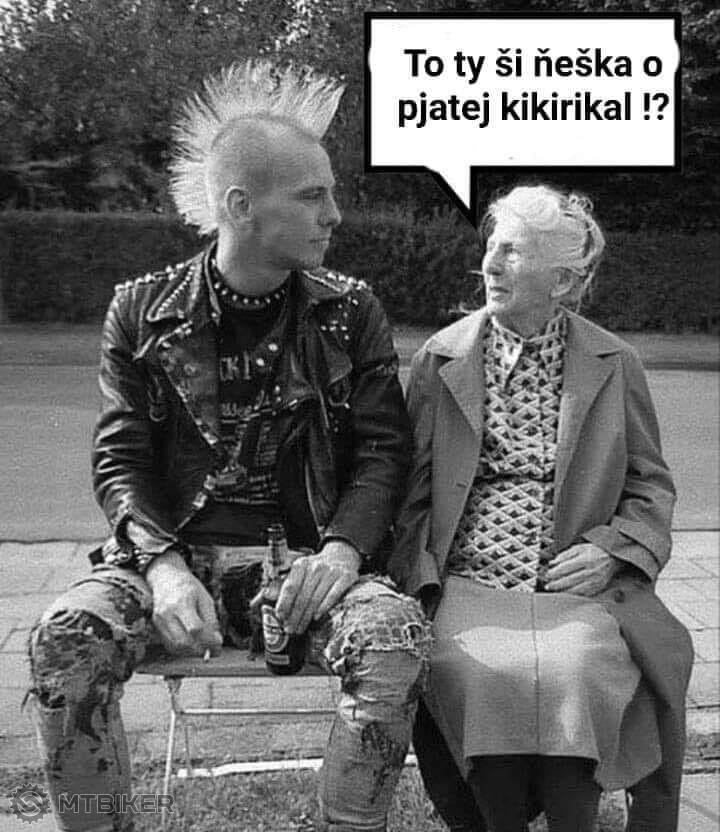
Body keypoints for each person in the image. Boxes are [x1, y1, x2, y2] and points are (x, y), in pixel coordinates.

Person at [26, 61, 430, 832]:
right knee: (66, 639)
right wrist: (163, 567)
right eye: (312, 196)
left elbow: (384, 454)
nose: (335, 214)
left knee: (392, 634)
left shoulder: (351, 312)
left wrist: (341, 553)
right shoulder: (141, 312)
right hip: (173, 562)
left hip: (307, 565)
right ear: (240, 206)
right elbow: (120, 459)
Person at [389, 184, 694, 832]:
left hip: (574, 589)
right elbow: (410, 495)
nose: (491, 265)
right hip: (468, 580)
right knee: (473, 670)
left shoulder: (615, 362)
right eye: (493, 248)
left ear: (561, 281)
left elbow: (650, 486)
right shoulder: (440, 359)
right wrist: (420, 582)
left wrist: (613, 550)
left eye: (514, 252)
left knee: (577, 670)